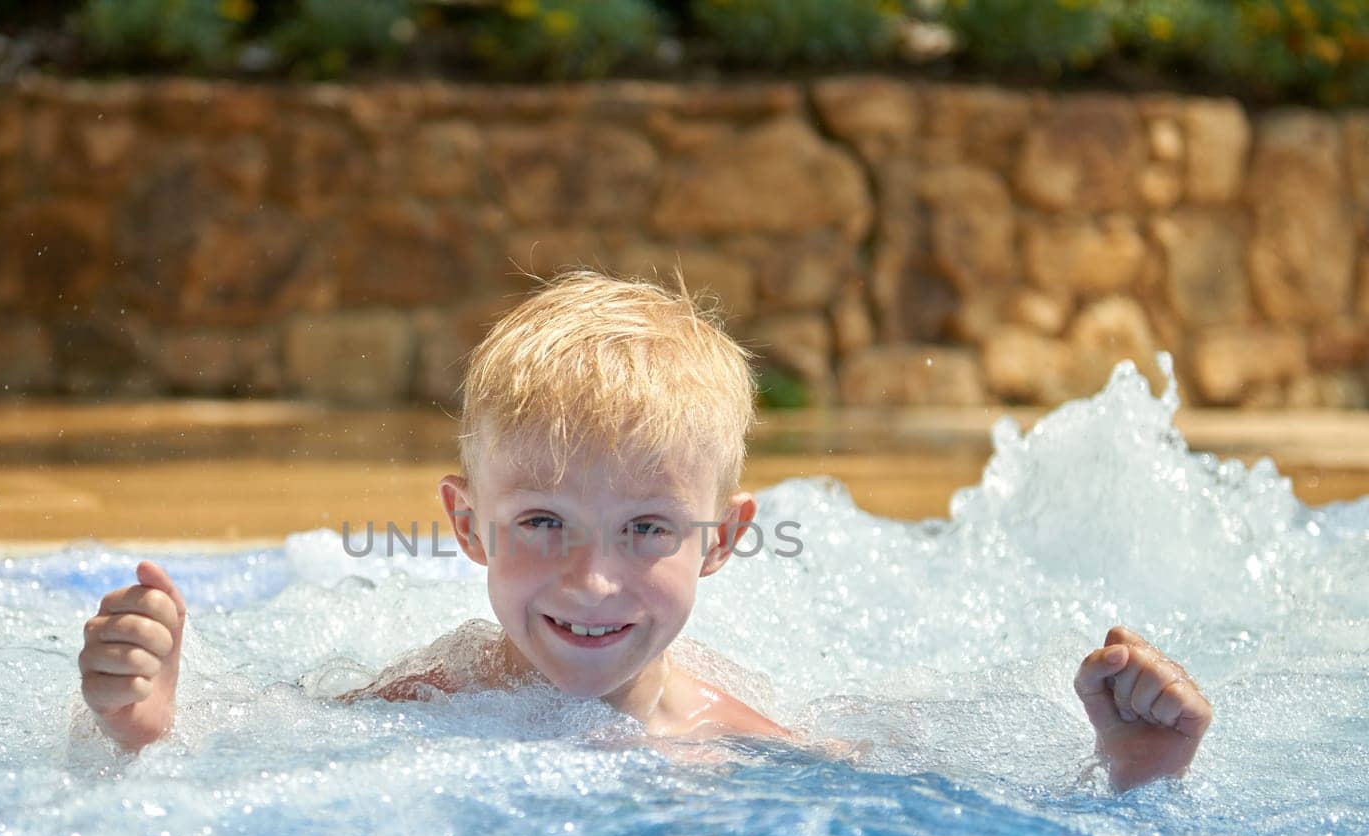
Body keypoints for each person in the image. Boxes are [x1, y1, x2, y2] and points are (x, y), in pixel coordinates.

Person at [77, 270, 1212, 792]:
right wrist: (143, 727)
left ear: (721, 541)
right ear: (466, 525)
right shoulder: (428, 701)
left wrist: (1133, 777)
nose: (592, 577)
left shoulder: (743, 746)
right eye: (540, 522)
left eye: (647, 530)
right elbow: (230, 773)